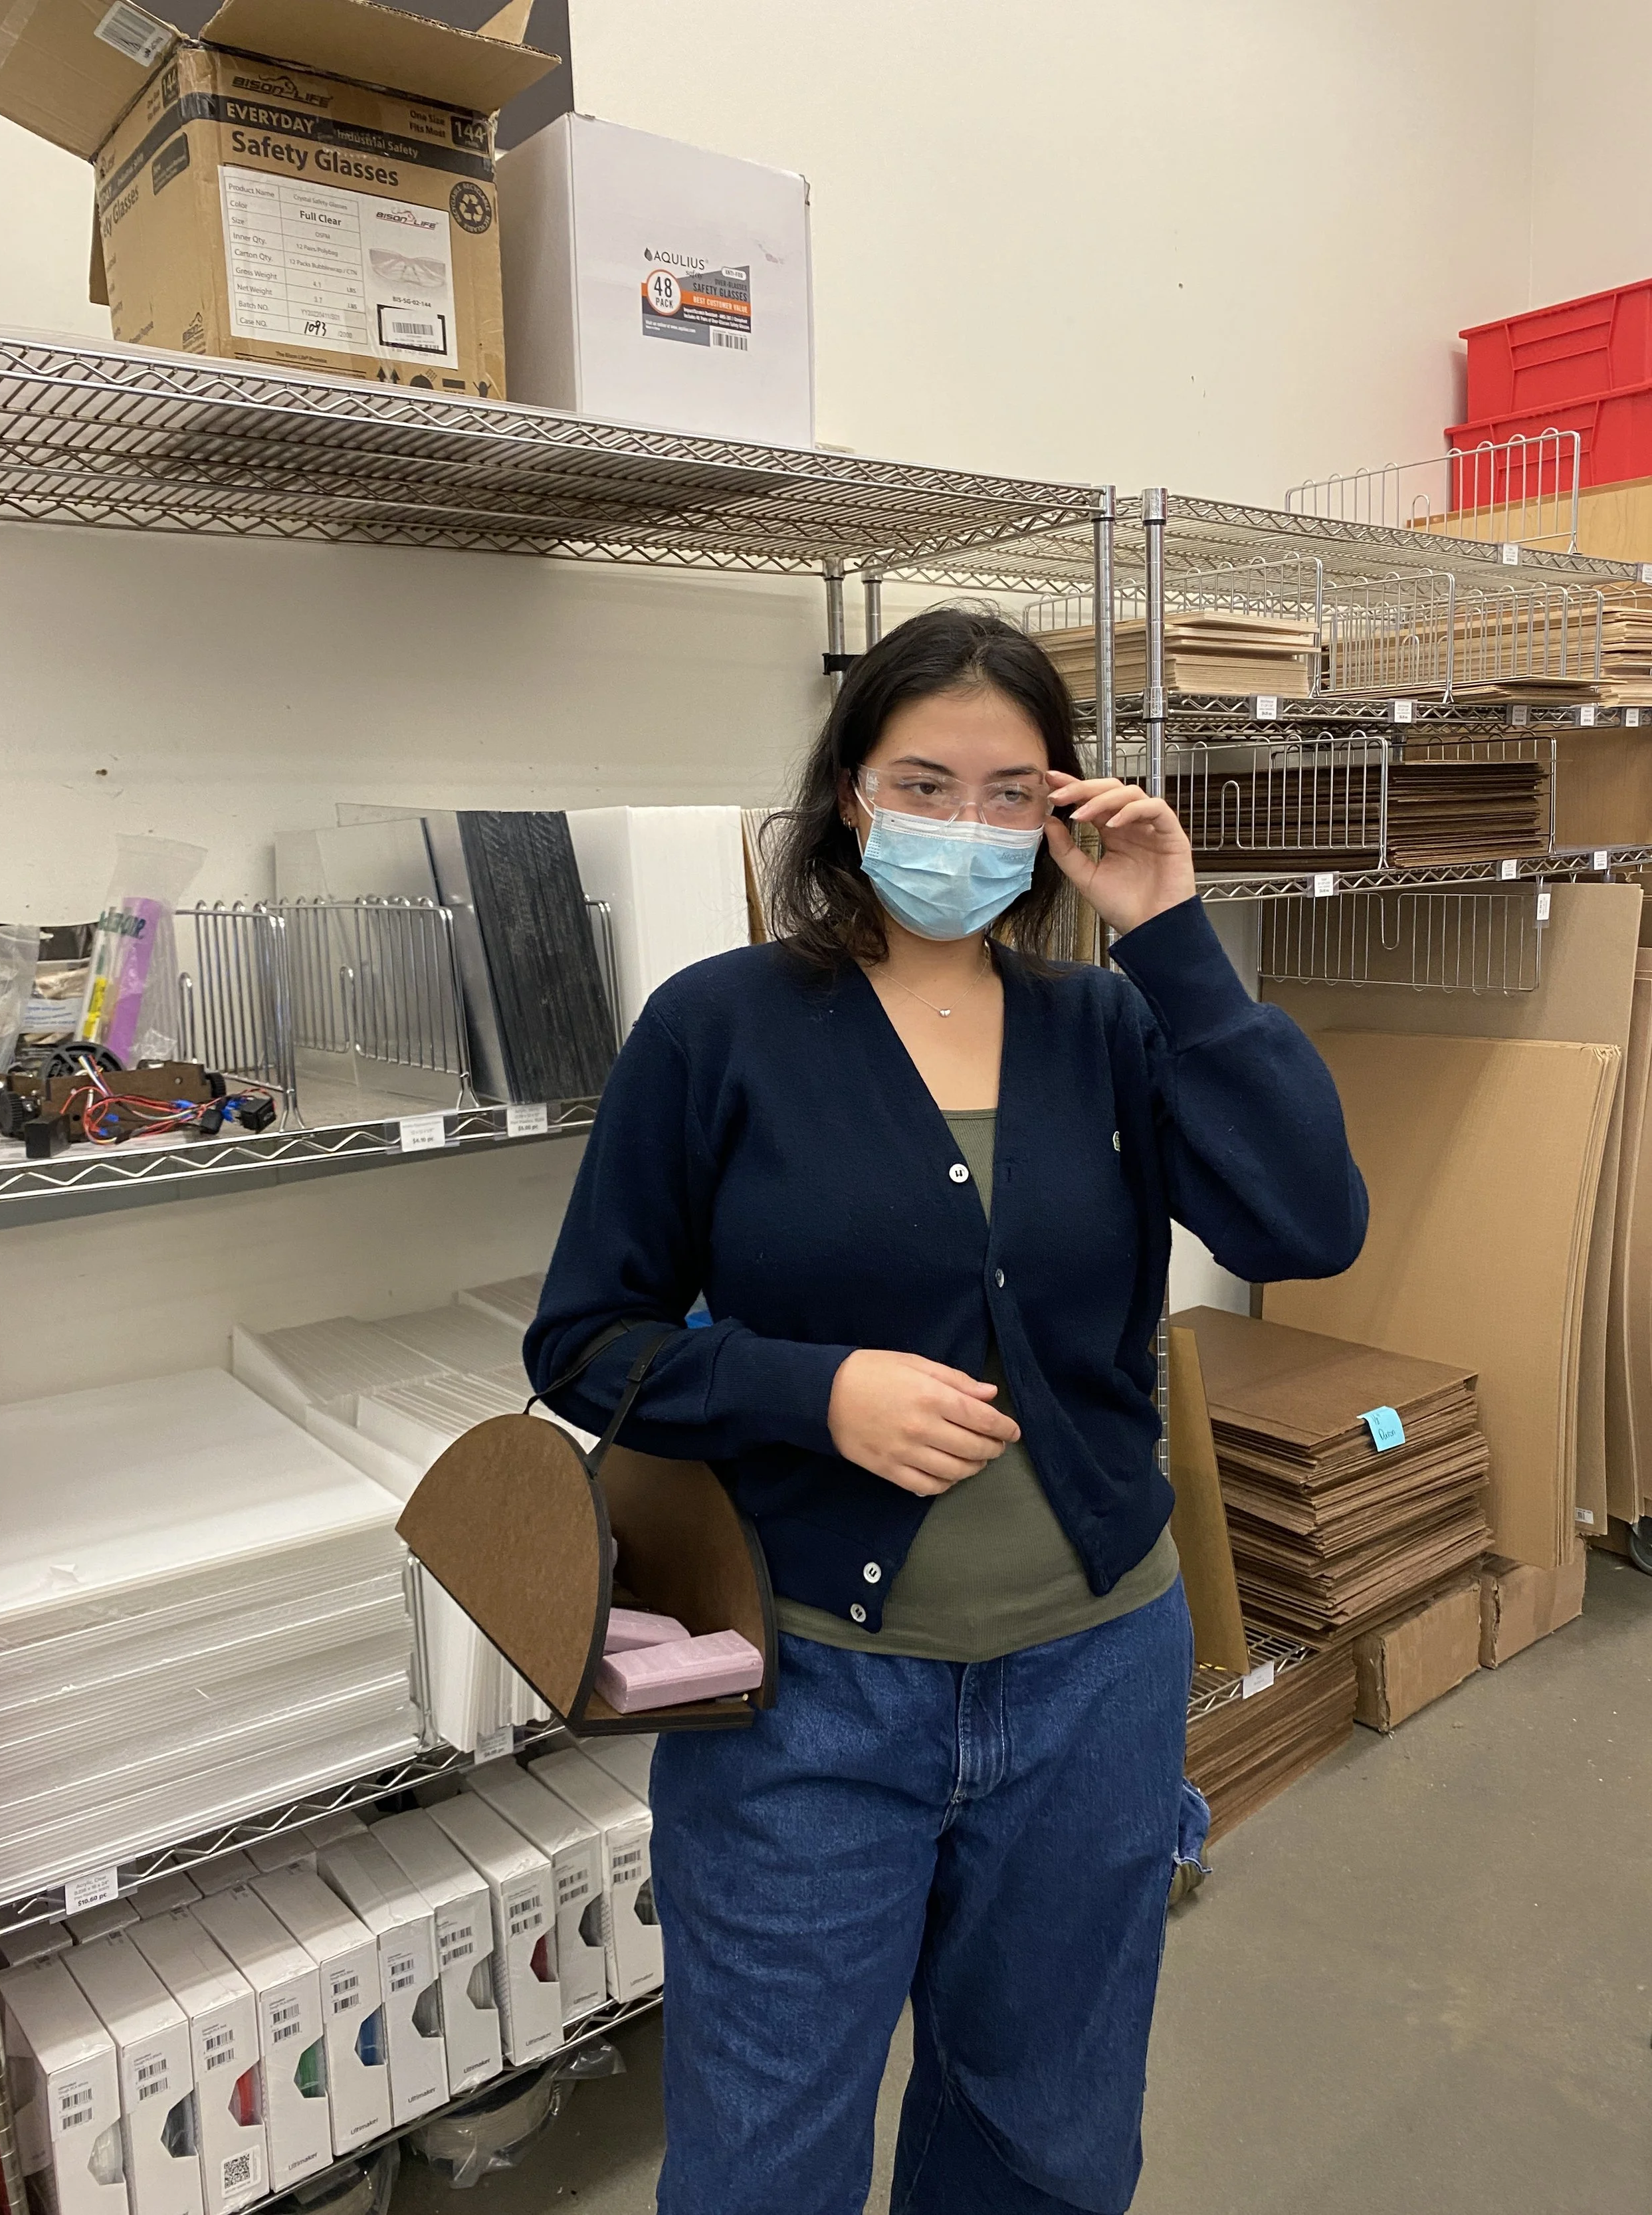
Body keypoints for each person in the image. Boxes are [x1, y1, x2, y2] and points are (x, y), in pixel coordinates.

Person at [526, 606, 1367, 2215]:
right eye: (925, 782)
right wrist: (812, 1390)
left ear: (1059, 811)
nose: (966, 827)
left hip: (1091, 1678)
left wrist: (1173, 940)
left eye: (1009, 793)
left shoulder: (1106, 1024)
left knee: (1040, 2139)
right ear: (850, 792)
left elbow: (1301, 1228)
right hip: (808, 1697)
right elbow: (584, 1341)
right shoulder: (720, 1027)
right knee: (762, 2155)